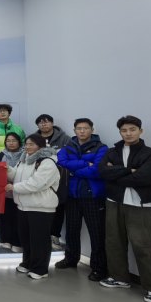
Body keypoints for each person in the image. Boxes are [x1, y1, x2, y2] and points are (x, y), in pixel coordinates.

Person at [98, 115, 151, 302]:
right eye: (124, 130)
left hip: (139, 205)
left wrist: (117, 173)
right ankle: (120, 278)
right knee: (114, 242)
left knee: (145, 246)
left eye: (132, 130)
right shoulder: (112, 152)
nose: (128, 133)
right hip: (114, 201)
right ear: (120, 132)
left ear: (140, 131)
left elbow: (148, 177)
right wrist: (130, 170)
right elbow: (103, 172)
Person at [56, 118, 108, 280]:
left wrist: (73, 170)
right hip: (72, 195)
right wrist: (86, 164)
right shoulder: (67, 147)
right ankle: (71, 259)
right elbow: (62, 163)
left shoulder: (101, 147)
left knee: (96, 232)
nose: (82, 131)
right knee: (71, 230)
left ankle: (98, 267)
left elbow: (97, 170)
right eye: (79, 128)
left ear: (92, 130)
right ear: (74, 130)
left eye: (86, 128)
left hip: (93, 195)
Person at [5, 134, 60, 280]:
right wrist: (7, 169)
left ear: (40, 146)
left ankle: (40, 269)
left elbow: (36, 184)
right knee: (26, 239)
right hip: (23, 206)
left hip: (41, 207)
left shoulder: (47, 162)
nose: (28, 147)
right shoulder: (24, 160)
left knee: (39, 240)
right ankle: (28, 263)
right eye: (27, 144)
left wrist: (14, 187)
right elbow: (16, 176)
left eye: (32, 144)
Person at [34, 113, 72, 250]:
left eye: (46, 121)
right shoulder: (34, 138)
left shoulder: (65, 138)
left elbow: (68, 155)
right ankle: (42, 236)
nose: (44, 124)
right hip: (39, 177)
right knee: (40, 206)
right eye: (41, 122)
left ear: (52, 123)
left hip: (59, 177)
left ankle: (54, 235)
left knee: (58, 205)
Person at [0, 132, 24, 252]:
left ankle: (17, 242)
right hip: (5, 192)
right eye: (8, 141)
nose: (11, 143)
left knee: (18, 218)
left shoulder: (25, 154)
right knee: (5, 217)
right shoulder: (1, 154)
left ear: (19, 142)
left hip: (20, 191)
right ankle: (5, 240)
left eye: (14, 140)